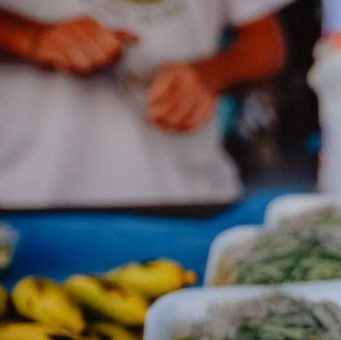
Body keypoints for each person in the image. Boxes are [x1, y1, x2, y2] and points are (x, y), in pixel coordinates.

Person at [0, 1, 290, 209]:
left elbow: (268, 41)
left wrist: (212, 73)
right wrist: (29, 37)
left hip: (189, 202)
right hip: (30, 203)